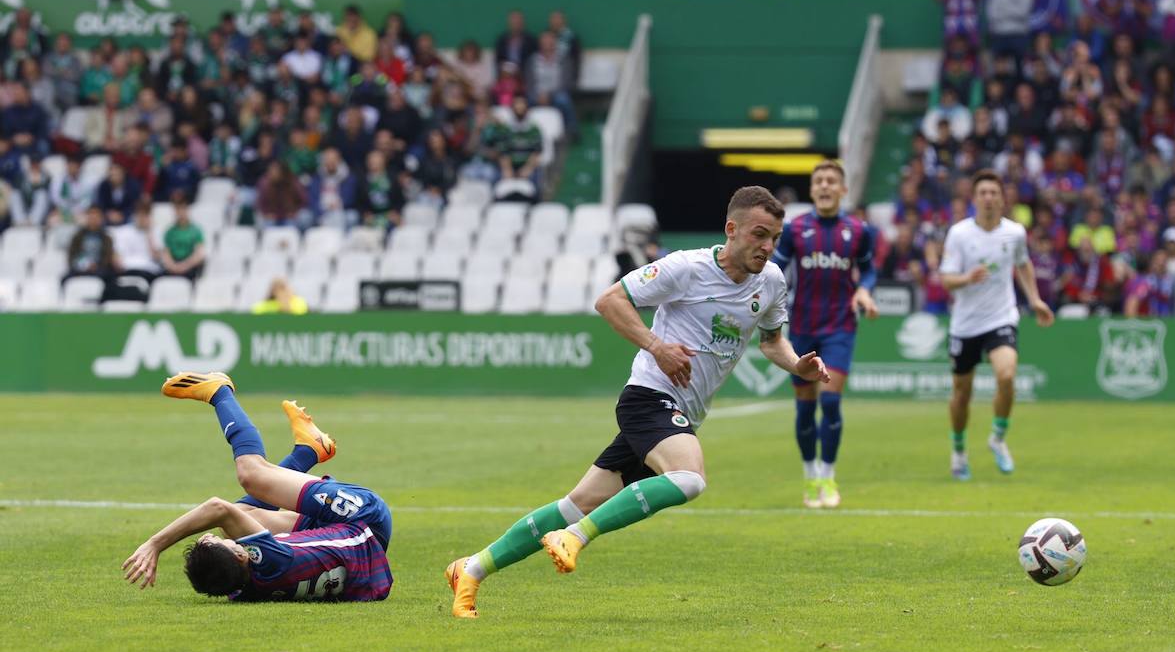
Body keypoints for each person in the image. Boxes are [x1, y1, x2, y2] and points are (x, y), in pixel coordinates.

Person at [445, 186, 829, 618]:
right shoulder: (686, 268)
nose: (768, 246)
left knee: (574, 505)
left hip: (683, 412)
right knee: (689, 478)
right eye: (760, 234)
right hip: (648, 397)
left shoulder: (772, 281)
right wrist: (657, 345)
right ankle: (575, 537)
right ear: (731, 229)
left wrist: (797, 366)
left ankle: (470, 569)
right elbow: (610, 301)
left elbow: (773, 340)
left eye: (775, 237)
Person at [122, 373, 393, 603]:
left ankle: (309, 451)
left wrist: (217, 544)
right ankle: (219, 391)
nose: (226, 541)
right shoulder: (273, 561)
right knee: (251, 476)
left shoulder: (246, 589)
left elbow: (231, 539)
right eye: (231, 546)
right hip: (365, 521)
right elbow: (217, 508)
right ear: (242, 554)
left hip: (353, 549)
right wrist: (155, 545)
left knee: (242, 516)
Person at [770, 160, 878, 509]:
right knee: (804, 410)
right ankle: (810, 475)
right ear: (812, 189)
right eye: (819, 181)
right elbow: (775, 270)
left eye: (832, 181)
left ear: (843, 189)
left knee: (830, 401)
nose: (825, 186)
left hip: (840, 328)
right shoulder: (795, 229)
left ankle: (829, 478)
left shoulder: (859, 231)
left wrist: (864, 291)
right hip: (801, 328)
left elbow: (869, 271)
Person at [938, 169, 1054, 481]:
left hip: (1001, 317)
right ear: (974, 199)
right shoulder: (960, 234)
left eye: (994, 193)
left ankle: (998, 438)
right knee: (962, 394)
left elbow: (1023, 264)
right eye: (983, 193)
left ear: (1002, 199)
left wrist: (1035, 299)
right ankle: (959, 451)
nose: (989, 198)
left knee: (1006, 373)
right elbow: (946, 279)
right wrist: (967, 278)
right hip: (965, 324)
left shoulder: (1014, 233)